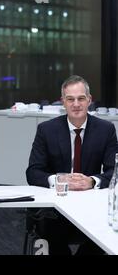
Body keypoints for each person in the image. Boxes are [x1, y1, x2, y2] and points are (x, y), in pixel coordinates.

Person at [26, 75, 117, 255]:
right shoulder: (46, 130)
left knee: (105, 236)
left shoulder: (105, 129)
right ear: (63, 102)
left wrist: (92, 181)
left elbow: (114, 170)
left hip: (92, 205)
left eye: (81, 98)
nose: (76, 104)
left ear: (89, 100)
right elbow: (33, 172)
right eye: (70, 99)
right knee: (51, 237)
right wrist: (59, 179)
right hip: (55, 207)